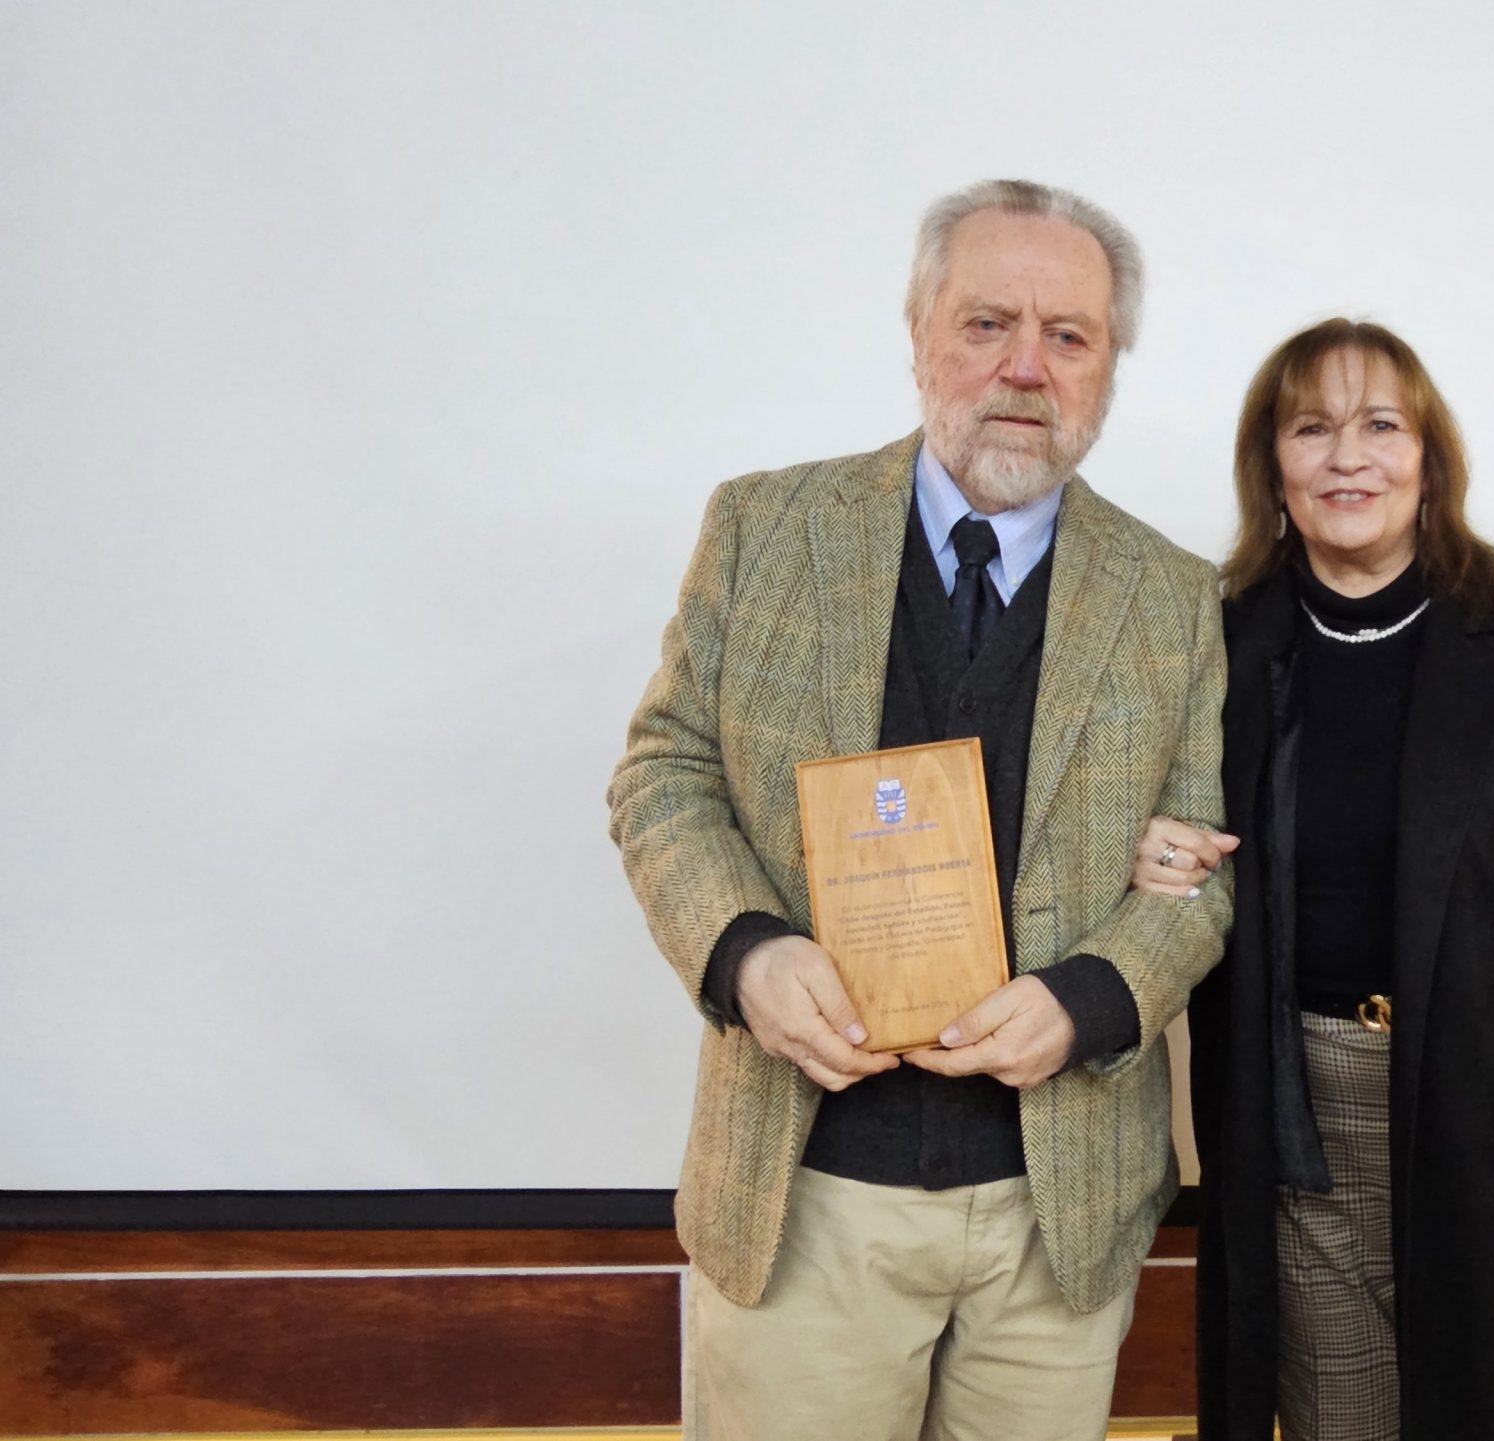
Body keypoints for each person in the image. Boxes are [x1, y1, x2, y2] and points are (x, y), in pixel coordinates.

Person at [607, 179, 1231, 1441]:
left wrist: (1093, 997)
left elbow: (1203, 868)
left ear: (1109, 366)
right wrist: (744, 950)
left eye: (1069, 337)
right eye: (986, 321)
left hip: (1059, 1212)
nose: (1025, 367)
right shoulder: (764, 528)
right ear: (916, 329)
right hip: (803, 1189)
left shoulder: (1177, 597)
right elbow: (661, 774)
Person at [1132, 319, 1494, 1441]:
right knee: (1342, 1418)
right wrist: (1147, 857)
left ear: (1429, 458)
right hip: (1292, 1108)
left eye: (1381, 425)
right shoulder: (1218, 647)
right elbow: (1149, 841)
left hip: (1492, 1117)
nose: (1347, 457)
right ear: (1272, 466)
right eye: (1311, 428)